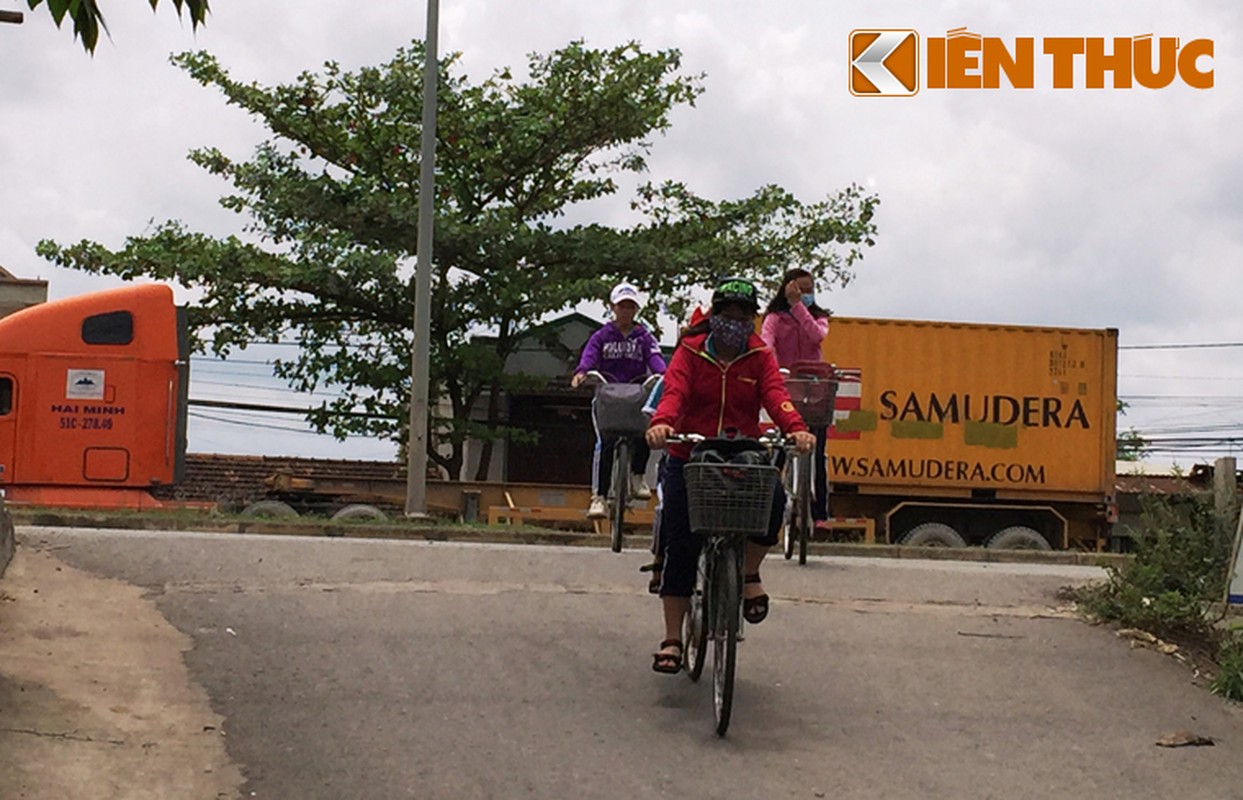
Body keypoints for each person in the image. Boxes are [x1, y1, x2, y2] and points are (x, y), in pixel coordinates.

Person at [645, 277, 814, 673]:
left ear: (751, 320)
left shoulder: (759, 355)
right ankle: (672, 638)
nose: (733, 324)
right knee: (681, 542)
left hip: (742, 455)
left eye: (742, 317)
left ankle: (749, 570)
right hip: (690, 455)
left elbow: (776, 395)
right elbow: (674, 392)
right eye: (726, 315)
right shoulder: (689, 351)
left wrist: (796, 427)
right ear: (714, 316)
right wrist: (663, 423)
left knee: (774, 503)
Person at [572, 283, 667, 519]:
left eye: (630, 306)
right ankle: (599, 497)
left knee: (647, 429)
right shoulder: (602, 336)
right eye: (622, 306)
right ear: (613, 307)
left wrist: (664, 376)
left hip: (636, 395)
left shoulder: (644, 337)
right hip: (609, 397)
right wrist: (582, 372)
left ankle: (637, 476)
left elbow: (656, 360)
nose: (626, 311)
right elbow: (589, 357)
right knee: (603, 443)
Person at [761, 268, 832, 526]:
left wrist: (798, 307)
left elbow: (817, 336)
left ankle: (820, 514)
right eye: (800, 289)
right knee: (781, 447)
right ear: (788, 288)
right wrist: (772, 372)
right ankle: (766, 500)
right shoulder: (774, 318)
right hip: (787, 387)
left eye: (810, 290)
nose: (806, 295)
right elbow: (766, 345)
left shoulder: (819, 317)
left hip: (815, 391)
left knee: (818, 449)